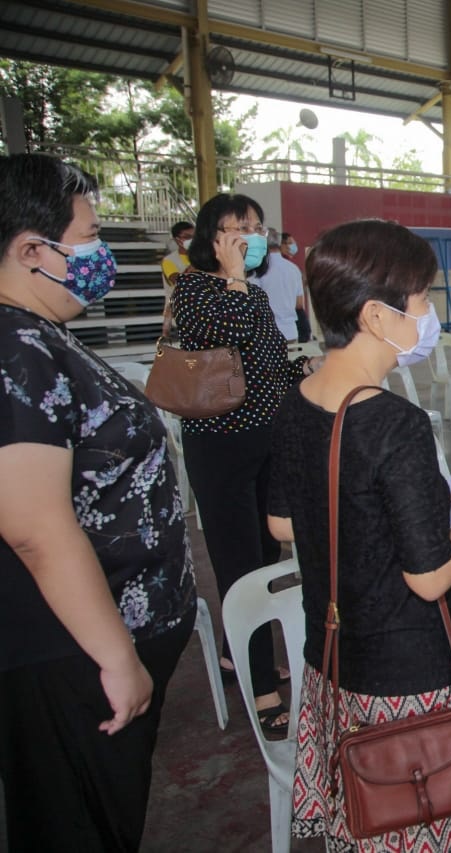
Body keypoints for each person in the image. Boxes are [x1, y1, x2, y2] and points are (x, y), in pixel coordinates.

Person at [268, 219, 451, 850]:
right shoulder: (393, 422)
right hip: (405, 676)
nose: (428, 314)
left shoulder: (299, 397)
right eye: (421, 299)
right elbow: (428, 578)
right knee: (413, 826)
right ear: (376, 314)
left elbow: (282, 523)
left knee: (363, 824)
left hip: (333, 659)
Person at [0, 154, 196, 850]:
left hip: (101, 642)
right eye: (86, 236)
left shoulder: (41, 333)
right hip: (73, 654)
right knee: (77, 825)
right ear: (31, 249)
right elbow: (35, 528)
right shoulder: (13, 346)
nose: (99, 255)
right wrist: (116, 656)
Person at [172, 193, 319, 740]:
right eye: (240, 229)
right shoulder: (193, 290)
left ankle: (244, 656)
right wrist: (233, 276)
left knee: (266, 558)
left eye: (258, 227)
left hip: (265, 443)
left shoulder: (254, 294)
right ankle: (260, 685)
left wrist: (306, 371)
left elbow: (264, 362)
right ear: (213, 239)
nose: (254, 238)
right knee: (238, 566)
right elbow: (219, 340)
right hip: (222, 448)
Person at [254, 227, 305, 342]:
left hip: (267, 333)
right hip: (291, 332)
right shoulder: (293, 269)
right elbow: (299, 304)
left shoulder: (258, 270)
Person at [160, 220, 193, 336]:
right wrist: (194, 265)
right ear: (177, 239)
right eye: (187, 237)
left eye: (194, 236)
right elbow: (178, 281)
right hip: (179, 313)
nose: (192, 240)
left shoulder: (202, 257)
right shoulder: (168, 261)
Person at [281, 231, 312, 343]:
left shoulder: (292, 267)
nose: (293, 246)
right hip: (292, 317)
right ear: (281, 245)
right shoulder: (289, 268)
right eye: (289, 243)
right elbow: (299, 302)